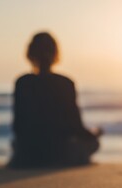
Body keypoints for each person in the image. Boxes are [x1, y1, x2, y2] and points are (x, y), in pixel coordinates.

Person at [8, 32, 100, 169]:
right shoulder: (66, 83)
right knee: (94, 143)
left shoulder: (22, 82)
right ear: (55, 54)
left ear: (30, 54)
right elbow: (76, 127)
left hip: (27, 155)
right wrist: (93, 134)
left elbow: (17, 126)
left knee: (15, 143)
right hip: (61, 153)